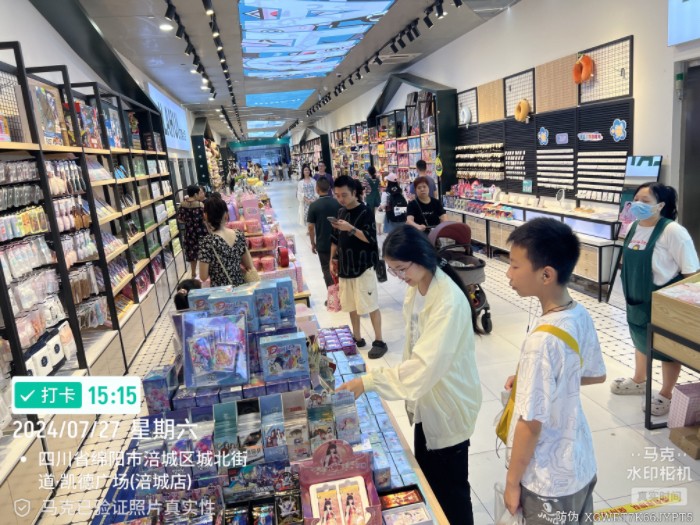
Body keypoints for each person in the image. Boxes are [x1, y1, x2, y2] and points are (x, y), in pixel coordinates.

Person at [339, 225, 483, 525]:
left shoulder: (447, 301)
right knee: (431, 483)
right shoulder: (418, 287)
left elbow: (422, 367)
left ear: (421, 257)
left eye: (401, 269)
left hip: (448, 406)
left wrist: (369, 382)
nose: (399, 276)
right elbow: (413, 350)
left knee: (452, 491)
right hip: (426, 402)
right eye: (393, 270)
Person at [501, 218, 606, 523]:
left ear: (546, 274)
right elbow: (596, 373)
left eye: (515, 265)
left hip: (547, 480)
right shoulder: (578, 313)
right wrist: (538, 381)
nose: (508, 273)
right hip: (580, 463)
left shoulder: (542, 342)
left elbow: (530, 425)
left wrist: (512, 483)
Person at [610, 183, 699, 415]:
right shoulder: (634, 227)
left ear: (661, 205)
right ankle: (639, 380)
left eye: (645, 201)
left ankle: (666, 394)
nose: (637, 204)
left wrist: (684, 309)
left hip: (664, 301)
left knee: (667, 348)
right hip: (636, 298)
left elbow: (691, 273)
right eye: (636, 199)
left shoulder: (673, 231)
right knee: (640, 337)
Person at [330, 176, 388, 359]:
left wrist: (351, 228)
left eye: (344, 195)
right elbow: (335, 238)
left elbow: (370, 239)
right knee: (351, 304)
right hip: (345, 268)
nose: (341, 199)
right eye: (337, 195)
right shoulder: (340, 212)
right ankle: (357, 337)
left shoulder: (365, 212)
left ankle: (379, 341)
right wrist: (332, 259)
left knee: (370, 304)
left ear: (354, 192)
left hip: (363, 267)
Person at [197, 197, 256, 287]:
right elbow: (249, 265)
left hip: (221, 291)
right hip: (240, 288)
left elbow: (203, 277)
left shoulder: (207, 242)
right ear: (226, 215)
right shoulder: (239, 235)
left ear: (205, 216)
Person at [307, 177, 341, 292]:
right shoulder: (337, 203)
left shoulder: (314, 205)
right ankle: (342, 294)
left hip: (323, 243)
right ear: (330, 188)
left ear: (317, 189)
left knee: (327, 269)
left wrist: (313, 243)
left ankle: (332, 296)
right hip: (339, 242)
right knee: (340, 268)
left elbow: (311, 227)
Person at [177, 184, 208, 278]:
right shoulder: (200, 205)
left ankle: (193, 273)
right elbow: (205, 218)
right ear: (195, 194)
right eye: (198, 193)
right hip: (200, 231)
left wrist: (188, 221)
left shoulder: (182, 204)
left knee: (192, 252)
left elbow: (180, 219)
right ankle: (205, 272)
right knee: (203, 251)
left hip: (189, 232)